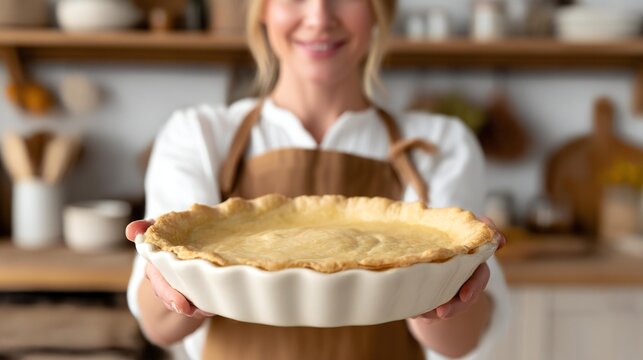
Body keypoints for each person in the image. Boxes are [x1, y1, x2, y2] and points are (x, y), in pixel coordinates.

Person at [126, 0, 510, 358]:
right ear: (262, 10)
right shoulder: (199, 135)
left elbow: (461, 343)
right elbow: (158, 325)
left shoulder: (440, 144)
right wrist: (176, 276)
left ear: (380, 9)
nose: (319, 17)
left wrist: (443, 283)